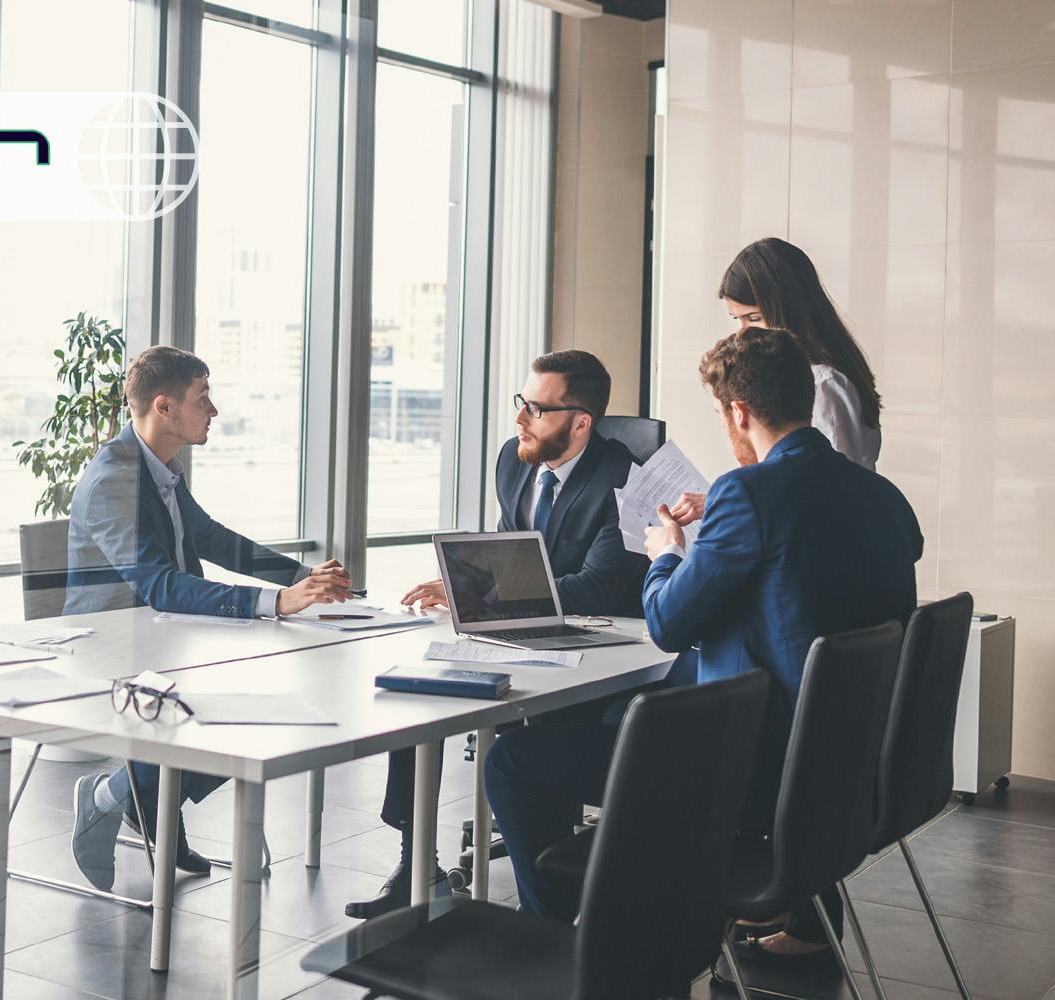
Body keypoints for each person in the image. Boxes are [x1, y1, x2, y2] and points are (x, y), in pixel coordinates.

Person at [482, 328, 921, 979]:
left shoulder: (747, 494)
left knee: (514, 761)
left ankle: (567, 950)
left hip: (746, 774)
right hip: (846, 770)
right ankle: (612, 920)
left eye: (722, 415)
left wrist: (664, 554)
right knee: (619, 717)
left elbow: (665, 620)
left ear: (738, 412)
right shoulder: (883, 497)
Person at [347, 350, 648, 919]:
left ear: (581, 422)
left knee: (530, 744)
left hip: (598, 649)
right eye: (522, 402)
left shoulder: (625, 482)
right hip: (520, 630)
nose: (520, 419)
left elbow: (596, 588)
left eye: (536, 408)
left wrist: (484, 596)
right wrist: (465, 586)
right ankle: (418, 866)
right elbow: (514, 557)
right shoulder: (515, 459)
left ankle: (555, 894)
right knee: (421, 690)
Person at [64, 345, 351, 890]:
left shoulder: (159, 469)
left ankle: (142, 800)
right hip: (111, 652)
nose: (214, 410)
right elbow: (158, 585)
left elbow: (211, 538)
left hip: (163, 641)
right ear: (165, 407)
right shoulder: (113, 480)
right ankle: (113, 797)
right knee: (233, 713)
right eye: (204, 398)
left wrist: (300, 577)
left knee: (256, 708)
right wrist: (274, 603)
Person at [670, 237, 886, 524]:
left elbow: (826, 494)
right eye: (737, 320)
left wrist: (727, 503)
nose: (742, 334)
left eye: (754, 318)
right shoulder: (813, 375)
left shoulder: (822, 384)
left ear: (788, 309)